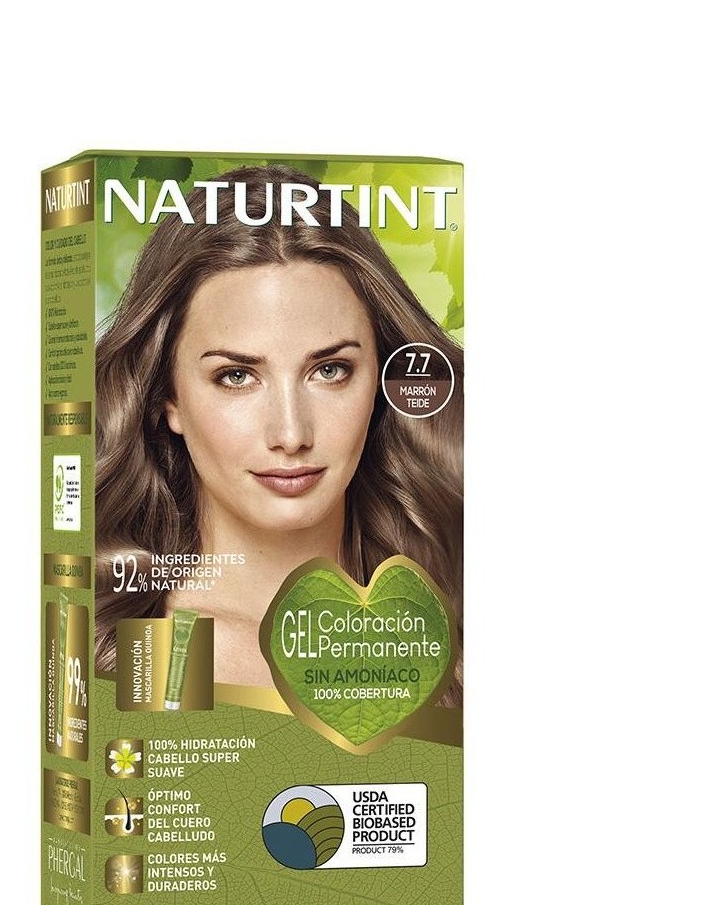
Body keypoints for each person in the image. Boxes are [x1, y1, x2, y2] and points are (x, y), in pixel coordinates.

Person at [95, 165, 463, 702]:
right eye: (236, 376)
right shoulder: (145, 655)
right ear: (166, 398)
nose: (291, 434)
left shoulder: (453, 636)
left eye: (330, 370)